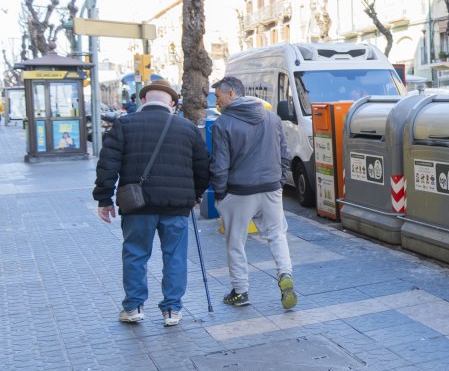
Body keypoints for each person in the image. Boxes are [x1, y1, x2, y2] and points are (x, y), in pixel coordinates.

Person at [93, 79, 210, 326]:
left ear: (143, 100)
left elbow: (107, 164)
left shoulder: (124, 125)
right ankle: (172, 310)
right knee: (175, 256)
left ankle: (134, 306)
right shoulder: (187, 128)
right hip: (177, 204)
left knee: (135, 254)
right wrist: (196, 195)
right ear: (172, 103)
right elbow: (202, 167)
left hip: (137, 205)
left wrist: (104, 198)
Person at [209, 76, 297, 310]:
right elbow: (284, 154)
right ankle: (285, 274)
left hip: (239, 191)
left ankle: (240, 291)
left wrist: (220, 194)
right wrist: (278, 181)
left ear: (230, 94)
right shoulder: (272, 118)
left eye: (218, 95)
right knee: (277, 235)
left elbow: (220, 165)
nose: (216, 101)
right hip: (270, 189)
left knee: (236, 242)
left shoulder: (223, 123)